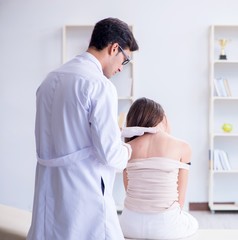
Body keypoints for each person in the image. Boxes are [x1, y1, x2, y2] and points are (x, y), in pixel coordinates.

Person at [27, 17, 139, 240]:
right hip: (83, 193)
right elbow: (110, 156)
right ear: (114, 48)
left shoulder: (50, 80)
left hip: (49, 190)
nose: (121, 68)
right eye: (124, 60)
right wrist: (128, 149)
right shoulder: (99, 85)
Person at [119, 97, 198, 240]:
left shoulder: (126, 148)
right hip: (166, 226)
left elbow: (128, 189)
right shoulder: (183, 147)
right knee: (192, 223)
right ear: (163, 118)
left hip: (128, 225)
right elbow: (180, 200)